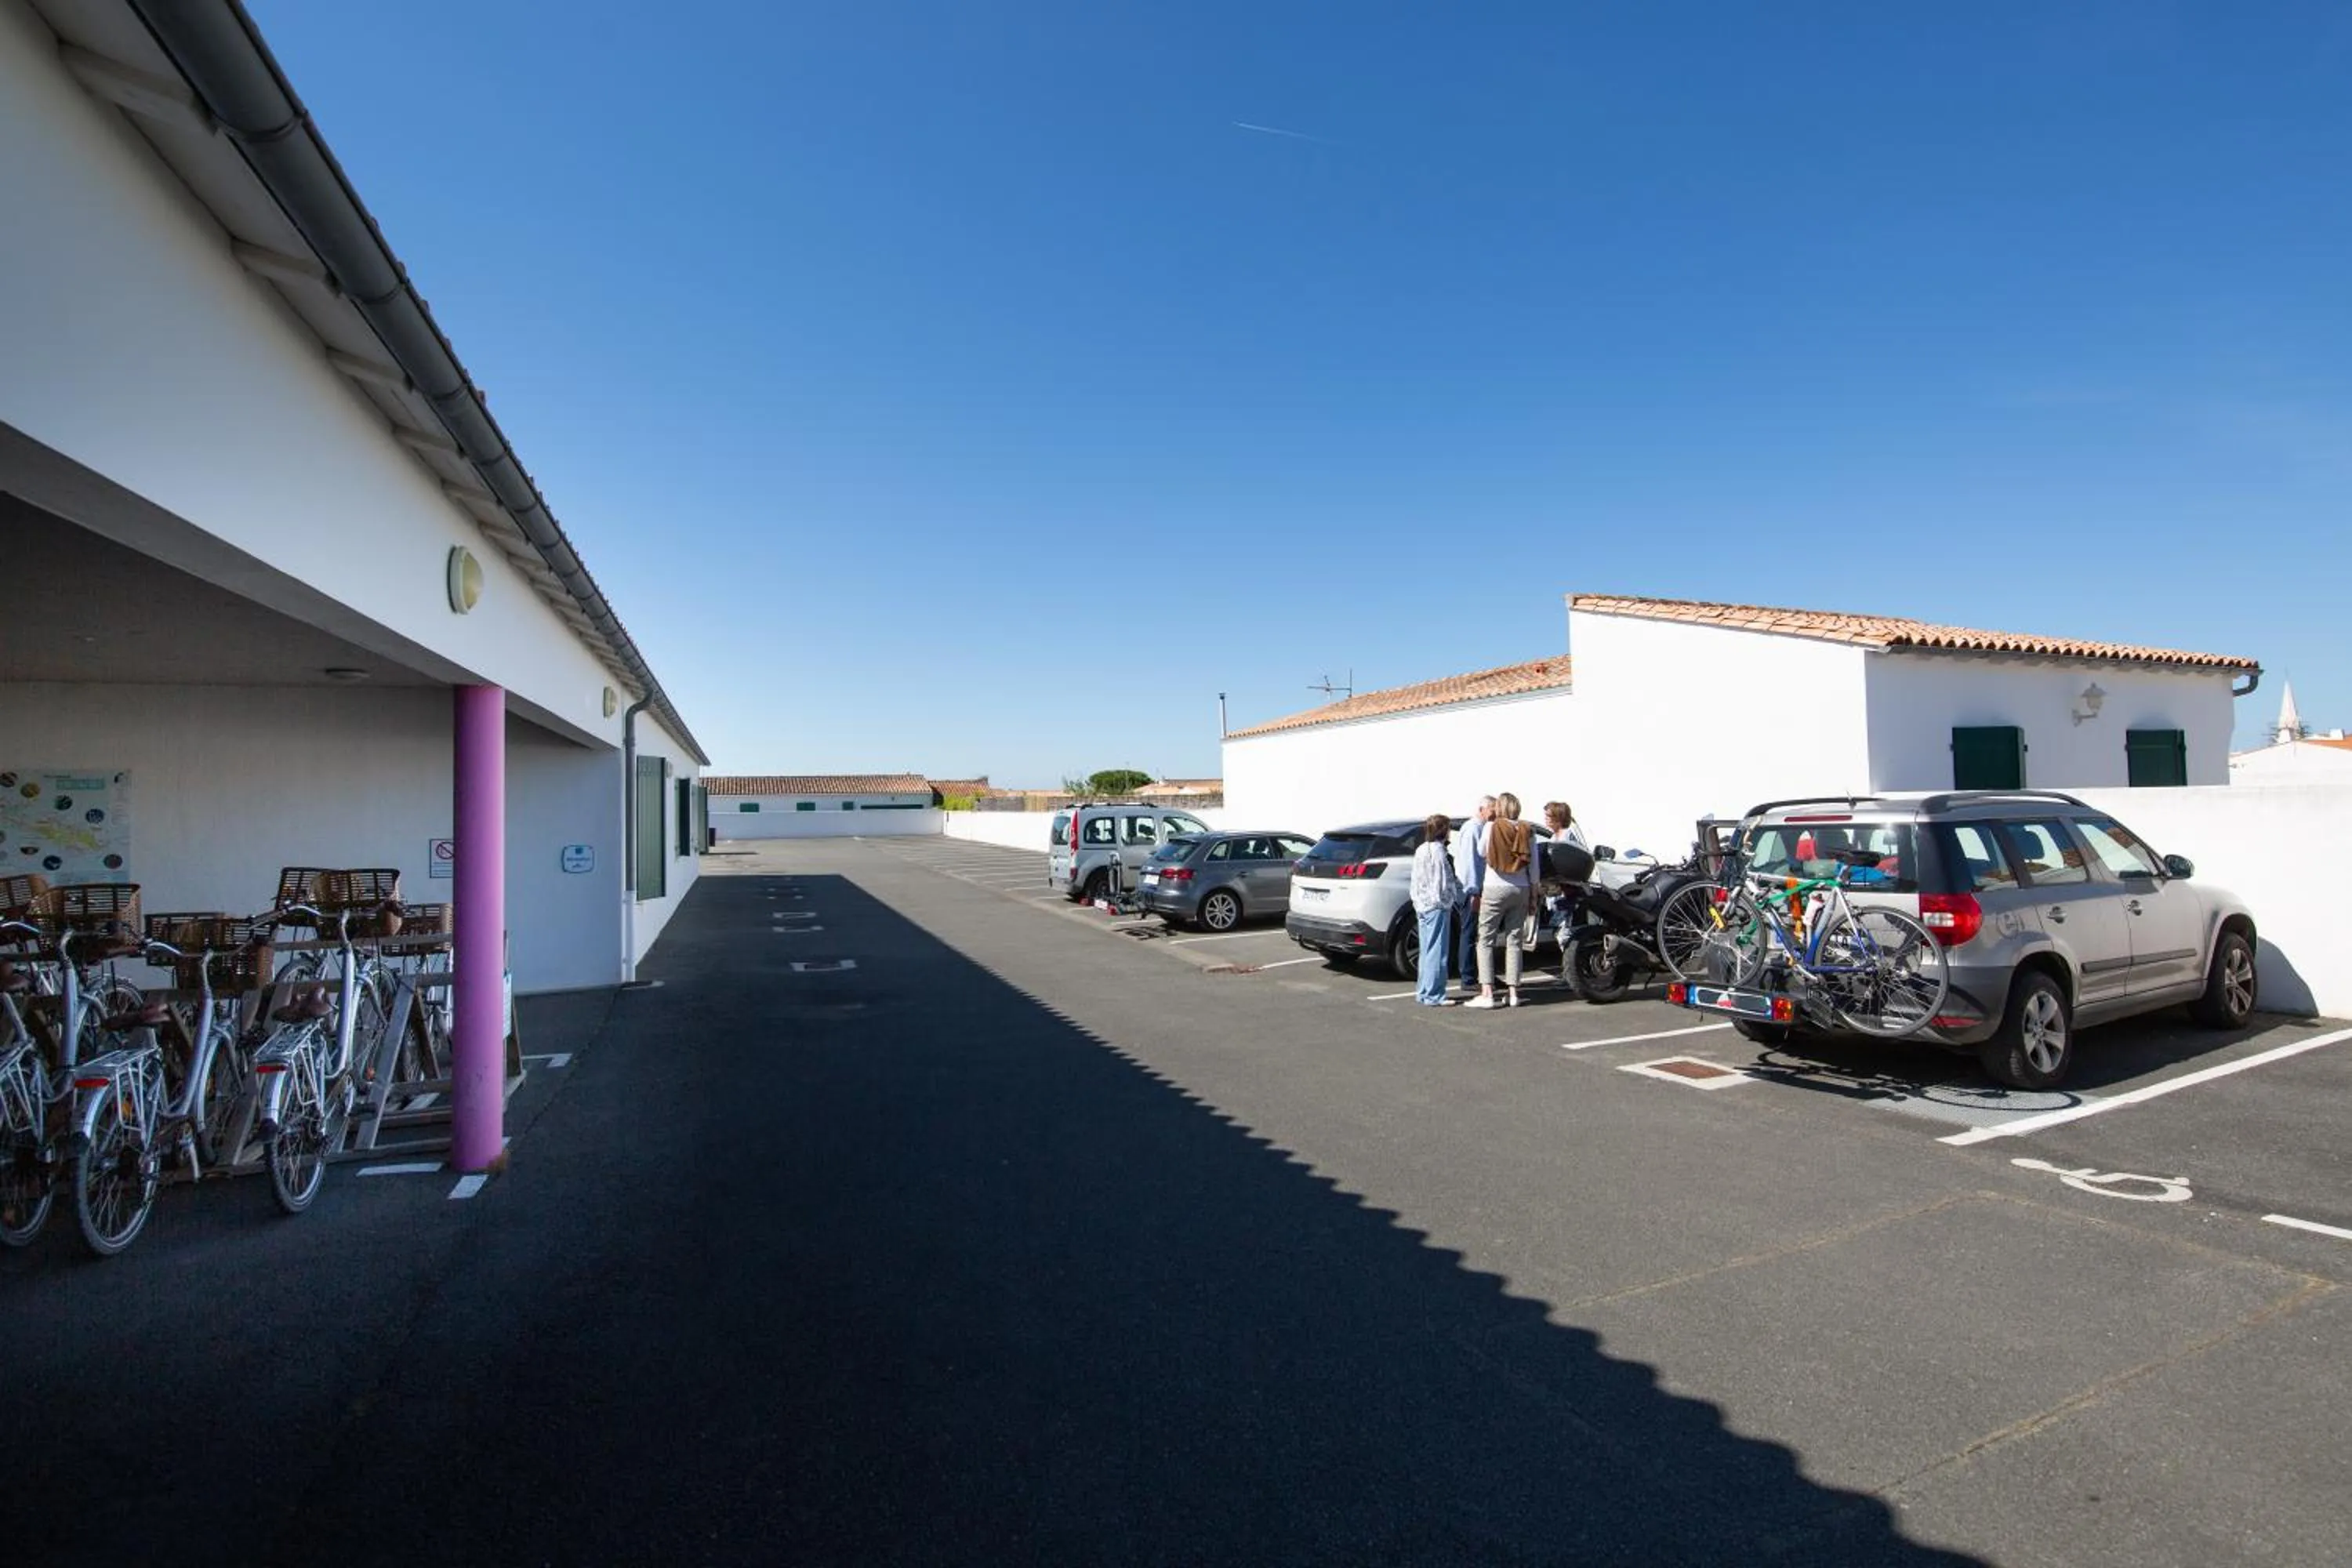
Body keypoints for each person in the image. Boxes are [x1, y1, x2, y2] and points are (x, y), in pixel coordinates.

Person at [1468, 792, 1537, 1009]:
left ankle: (1487, 992)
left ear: (1500, 808)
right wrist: (1535, 892)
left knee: (1486, 938)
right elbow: (1534, 866)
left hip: (1495, 886)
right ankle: (1514, 992)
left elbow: (1481, 852)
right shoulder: (1528, 830)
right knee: (1514, 940)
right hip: (1521, 888)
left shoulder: (1491, 827)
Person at [1409, 813, 1462, 1007]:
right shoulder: (1439, 851)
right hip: (1436, 906)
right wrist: (1446, 900)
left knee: (1426, 950)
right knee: (1437, 951)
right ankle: (1434, 994)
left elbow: (1416, 879)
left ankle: (1424, 991)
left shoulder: (1422, 849)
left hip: (1422, 905)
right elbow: (1440, 880)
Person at [1539, 800, 1592, 971]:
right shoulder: (1554, 837)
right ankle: (1572, 968)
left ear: (1558, 817)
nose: (1546, 820)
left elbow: (1576, 862)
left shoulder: (1568, 835)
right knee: (1559, 931)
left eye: (1549, 816)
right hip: (1555, 892)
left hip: (1566, 892)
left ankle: (1576, 969)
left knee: (1564, 933)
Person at [1450, 795, 1495, 989]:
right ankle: (1468, 978)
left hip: (1475, 888)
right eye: (1493, 810)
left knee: (1479, 933)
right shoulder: (1474, 829)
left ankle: (1484, 975)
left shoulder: (1481, 828)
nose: (1496, 814)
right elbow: (1471, 864)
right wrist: (1475, 891)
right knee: (1470, 932)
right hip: (1471, 889)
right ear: (1482, 809)